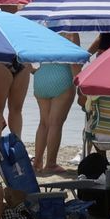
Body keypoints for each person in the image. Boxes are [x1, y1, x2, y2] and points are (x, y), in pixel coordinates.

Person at [31, 37, 79, 173]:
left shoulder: (42, 29)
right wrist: (81, 87)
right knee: (55, 124)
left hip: (41, 76)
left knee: (44, 123)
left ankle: (37, 162)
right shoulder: (70, 32)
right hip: (61, 75)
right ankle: (51, 164)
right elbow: (74, 61)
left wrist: (31, 69)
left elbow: (24, 52)